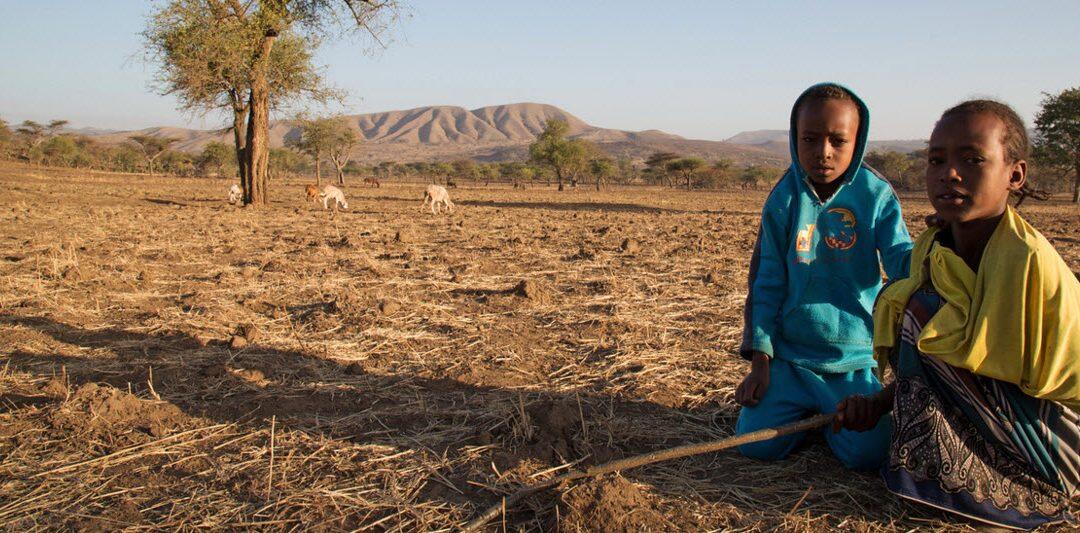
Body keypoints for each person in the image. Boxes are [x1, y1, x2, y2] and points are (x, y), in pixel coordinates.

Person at [835, 99, 1080, 529]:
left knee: (921, 311)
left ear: (1014, 175)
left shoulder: (1024, 262)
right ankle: (949, 476)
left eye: (972, 159)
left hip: (1061, 436)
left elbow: (967, 362)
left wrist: (894, 394)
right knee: (911, 303)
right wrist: (879, 402)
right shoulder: (934, 246)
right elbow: (938, 362)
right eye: (937, 160)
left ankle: (1020, 489)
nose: (949, 172)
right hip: (1005, 413)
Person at [735, 83, 913, 469]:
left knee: (870, 455)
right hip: (791, 359)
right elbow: (766, 282)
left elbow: (903, 259)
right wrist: (761, 362)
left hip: (851, 360)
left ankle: (825, 419)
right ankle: (807, 416)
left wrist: (938, 258)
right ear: (794, 139)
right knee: (753, 444)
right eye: (810, 139)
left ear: (858, 141)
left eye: (838, 140)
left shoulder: (876, 195)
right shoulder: (785, 198)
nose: (824, 152)